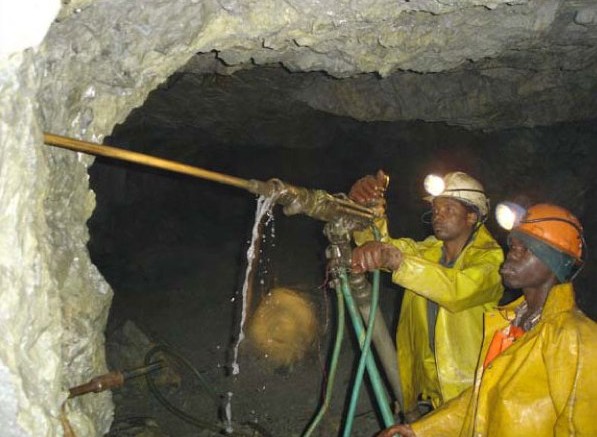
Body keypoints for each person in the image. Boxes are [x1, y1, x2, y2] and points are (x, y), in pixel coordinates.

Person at [378, 203, 597, 437]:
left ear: (554, 263)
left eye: (527, 249)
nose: (513, 253)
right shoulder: (510, 323)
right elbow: (481, 398)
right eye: (514, 245)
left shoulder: (576, 338)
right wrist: (421, 429)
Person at [349, 170, 504, 418]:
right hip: (431, 376)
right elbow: (380, 246)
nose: (437, 216)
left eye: (448, 210)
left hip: (470, 382)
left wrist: (399, 262)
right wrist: (368, 210)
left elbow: (456, 290)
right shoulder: (428, 251)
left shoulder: (492, 259)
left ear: (471, 216)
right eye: (436, 209)